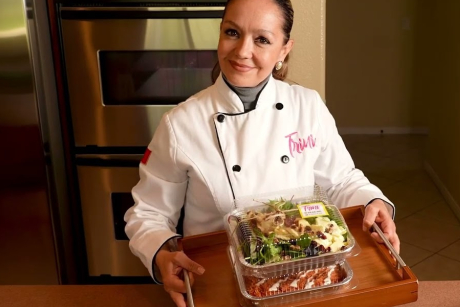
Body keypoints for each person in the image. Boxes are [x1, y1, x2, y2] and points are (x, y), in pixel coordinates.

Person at [124, 0, 400, 306]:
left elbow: (341, 181)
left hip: (307, 271)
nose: (242, 51)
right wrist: (161, 253)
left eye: (262, 40)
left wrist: (374, 202)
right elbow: (148, 213)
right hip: (219, 280)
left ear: (283, 50)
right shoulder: (181, 124)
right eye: (232, 32)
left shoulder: (307, 106)